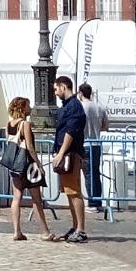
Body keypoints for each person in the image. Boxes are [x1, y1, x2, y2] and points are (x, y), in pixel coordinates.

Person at [3, 97, 58, 242]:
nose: (31, 108)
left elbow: (10, 142)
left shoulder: (8, 124)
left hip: (14, 165)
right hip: (28, 165)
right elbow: (30, 147)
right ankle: (44, 231)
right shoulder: (25, 124)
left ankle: (16, 231)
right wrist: (38, 164)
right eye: (28, 106)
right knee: (36, 199)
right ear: (22, 108)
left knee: (17, 196)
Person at [49, 76, 89, 243]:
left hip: (71, 154)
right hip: (66, 153)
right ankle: (75, 226)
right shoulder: (69, 106)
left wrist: (61, 152)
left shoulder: (74, 106)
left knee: (74, 191)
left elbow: (70, 132)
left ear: (64, 87)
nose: (55, 92)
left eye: (56, 89)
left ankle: (81, 229)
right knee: (69, 192)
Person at [77, 83, 108, 213]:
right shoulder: (99, 107)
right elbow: (105, 126)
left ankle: (92, 202)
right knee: (96, 173)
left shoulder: (80, 107)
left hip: (85, 143)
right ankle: (97, 201)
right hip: (96, 143)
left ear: (80, 93)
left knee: (88, 174)